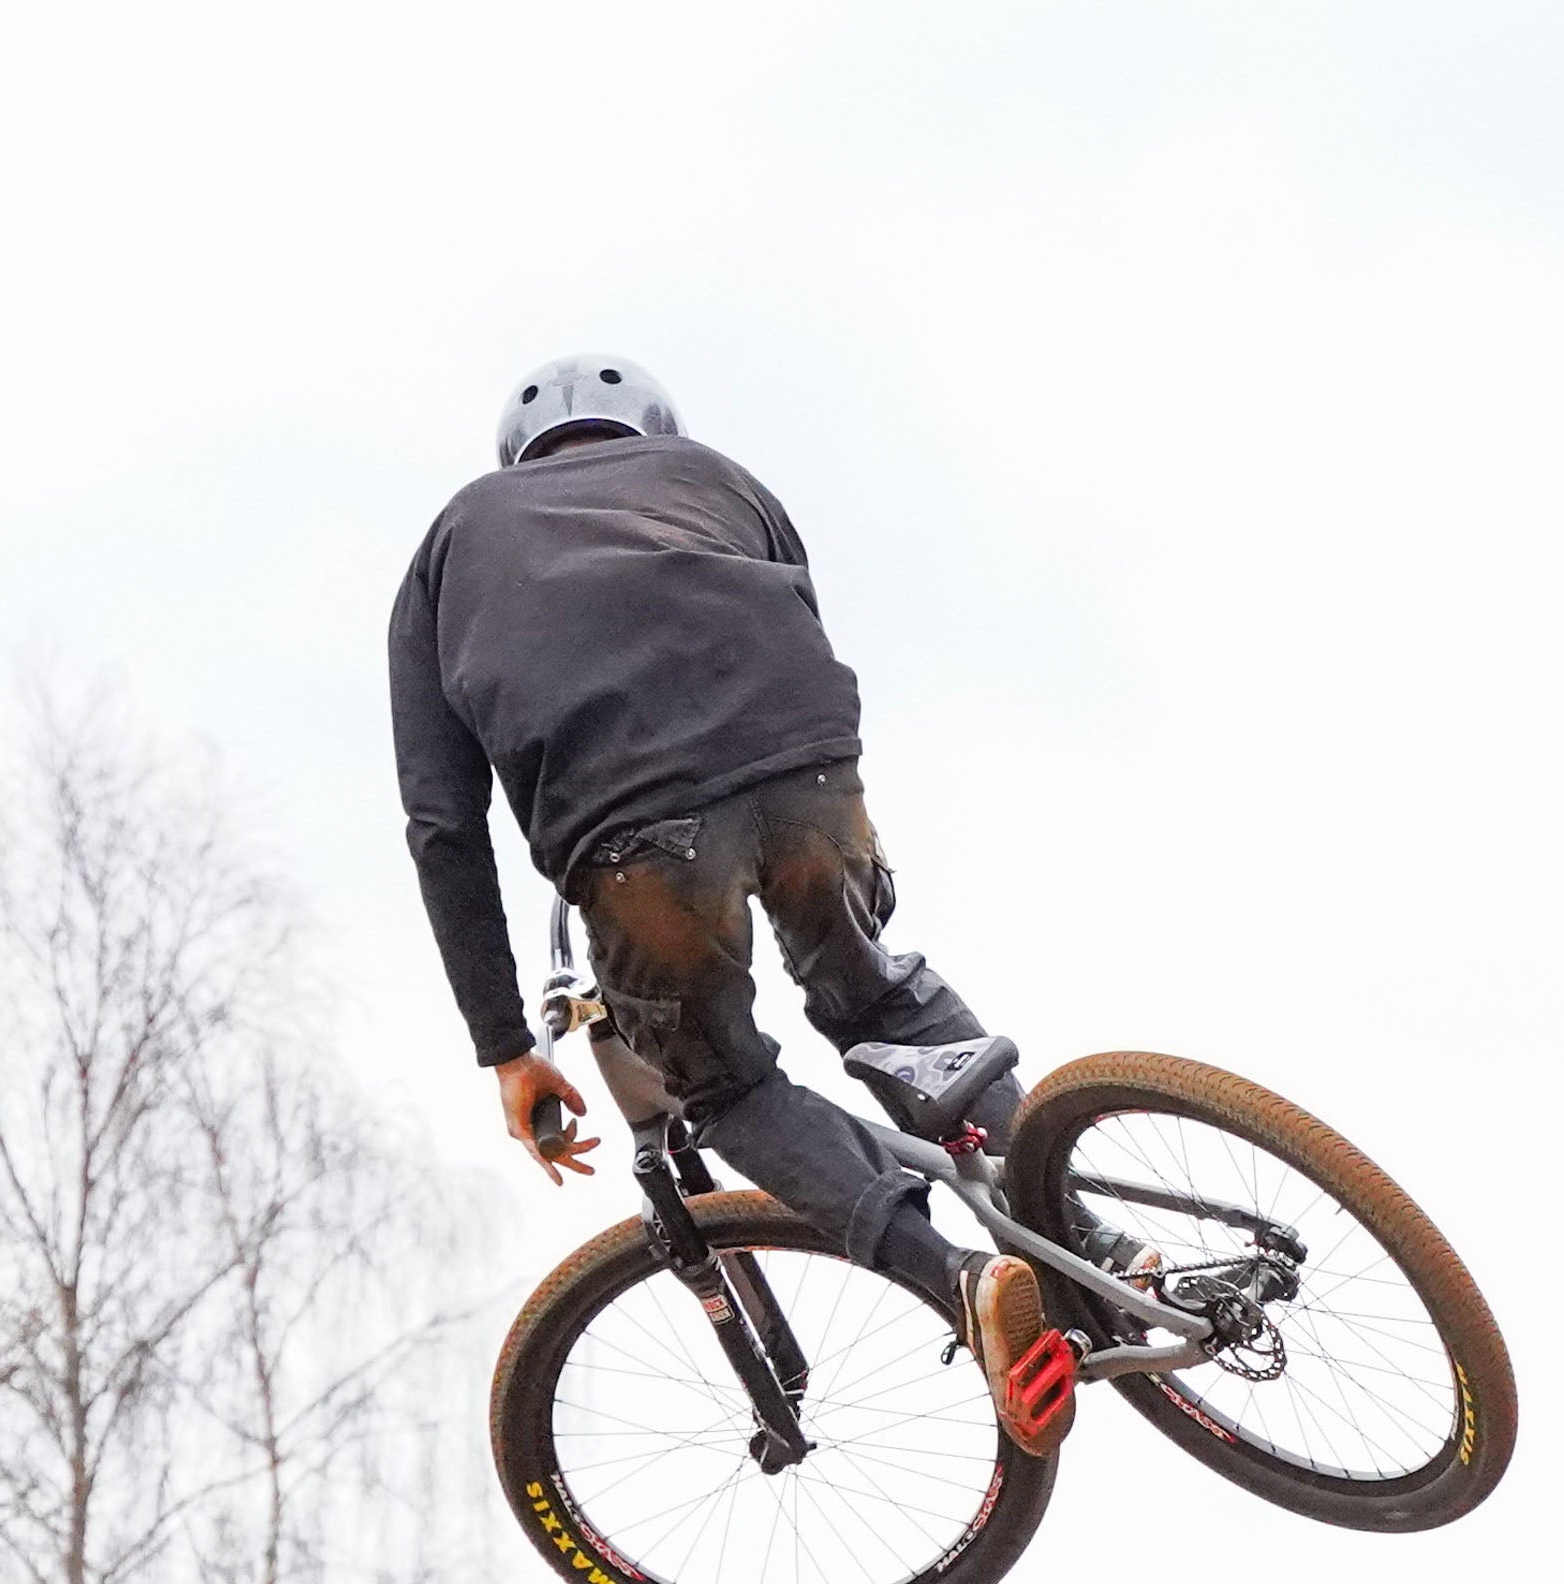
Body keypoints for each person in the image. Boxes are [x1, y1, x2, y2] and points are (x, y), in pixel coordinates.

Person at [386, 351, 1076, 1448]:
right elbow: (798, 621)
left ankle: (959, 1280)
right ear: (653, 429)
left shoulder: (450, 544)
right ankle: (1084, 1236)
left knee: (724, 1087)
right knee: (872, 995)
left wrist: (507, 1045)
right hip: (805, 773)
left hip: (634, 840)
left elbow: (442, 825)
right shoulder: (720, 478)